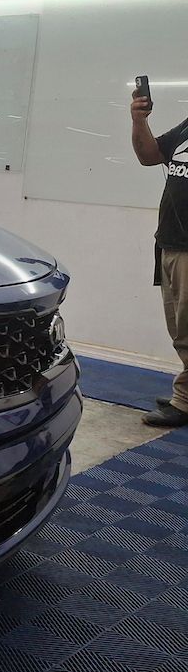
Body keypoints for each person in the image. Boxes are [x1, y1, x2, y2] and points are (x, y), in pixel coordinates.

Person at [131, 85, 188, 425]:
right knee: (179, 328)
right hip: (170, 243)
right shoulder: (186, 127)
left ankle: (184, 402)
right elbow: (149, 154)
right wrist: (139, 120)